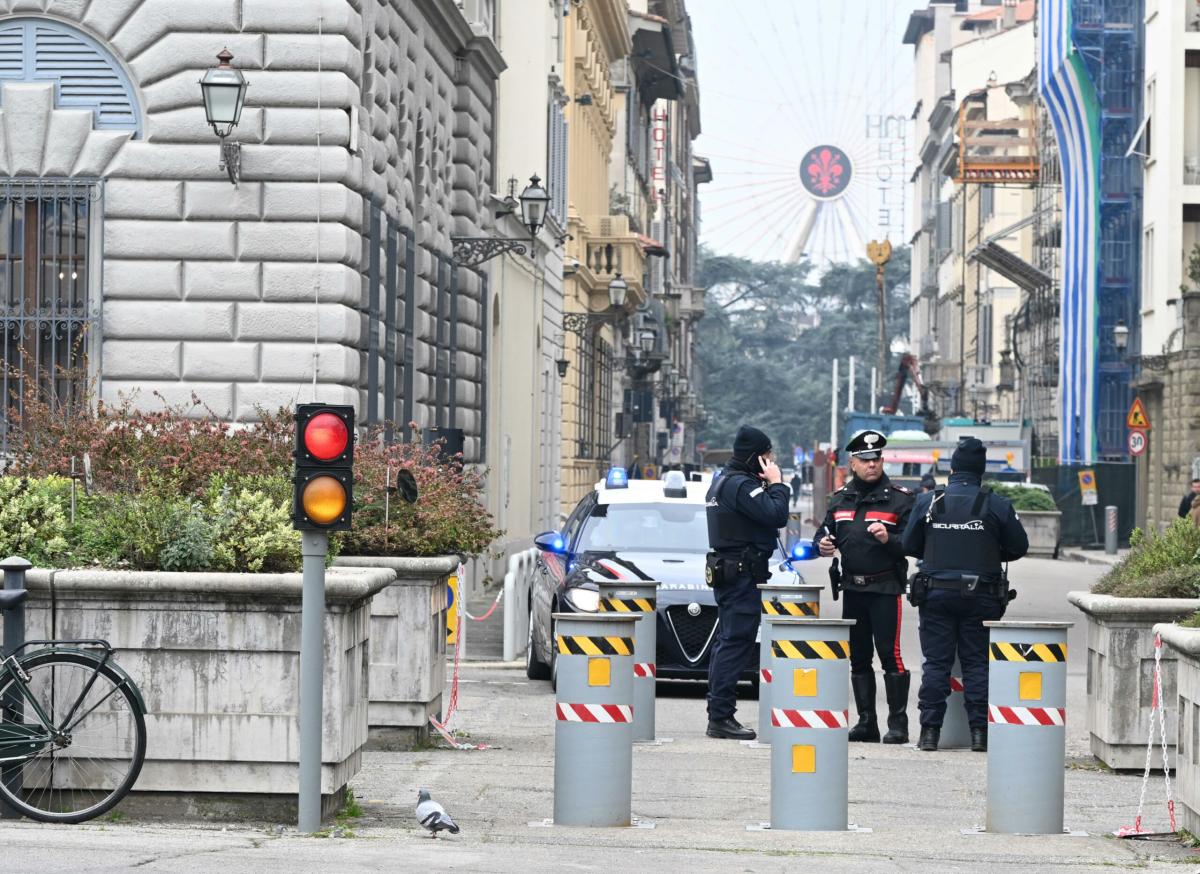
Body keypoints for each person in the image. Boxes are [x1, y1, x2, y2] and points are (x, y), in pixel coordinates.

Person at [902, 437, 1029, 753]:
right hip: (981, 598)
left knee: (936, 663)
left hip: (937, 595)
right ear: (981, 472)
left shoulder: (929, 501)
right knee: (977, 664)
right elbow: (1018, 547)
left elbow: (908, 545)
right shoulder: (996, 505)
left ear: (953, 467)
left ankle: (929, 732)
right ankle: (979, 734)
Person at [816, 430, 915, 745]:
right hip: (853, 589)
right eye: (865, 460)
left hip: (885, 588)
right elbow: (824, 531)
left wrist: (890, 539)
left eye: (876, 459)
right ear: (852, 463)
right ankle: (866, 722)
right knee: (858, 658)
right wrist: (823, 544)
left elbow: (914, 544)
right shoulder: (841, 498)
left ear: (883, 460)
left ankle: (897, 725)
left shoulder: (900, 499)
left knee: (890, 656)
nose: (872, 465)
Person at [704, 425, 791, 740]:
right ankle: (721, 716)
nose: (771, 460)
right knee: (735, 642)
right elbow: (776, 514)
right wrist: (777, 484)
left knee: (728, 641)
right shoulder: (739, 485)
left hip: (735, 571)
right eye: (767, 455)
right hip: (740, 573)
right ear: (757, 456)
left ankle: (719, 713)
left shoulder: (724, 482)